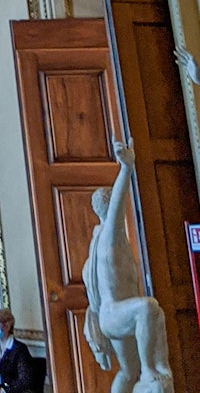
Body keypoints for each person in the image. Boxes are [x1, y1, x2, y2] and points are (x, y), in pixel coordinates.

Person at [82, 140, 174, 392]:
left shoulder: (100, 245)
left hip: (114, 315)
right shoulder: (109, 238)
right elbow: (117, 206)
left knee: (126, 371)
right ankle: (149, 369)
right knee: (147, 307)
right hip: (115, 315)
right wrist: (126, 167)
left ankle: (145, 371)